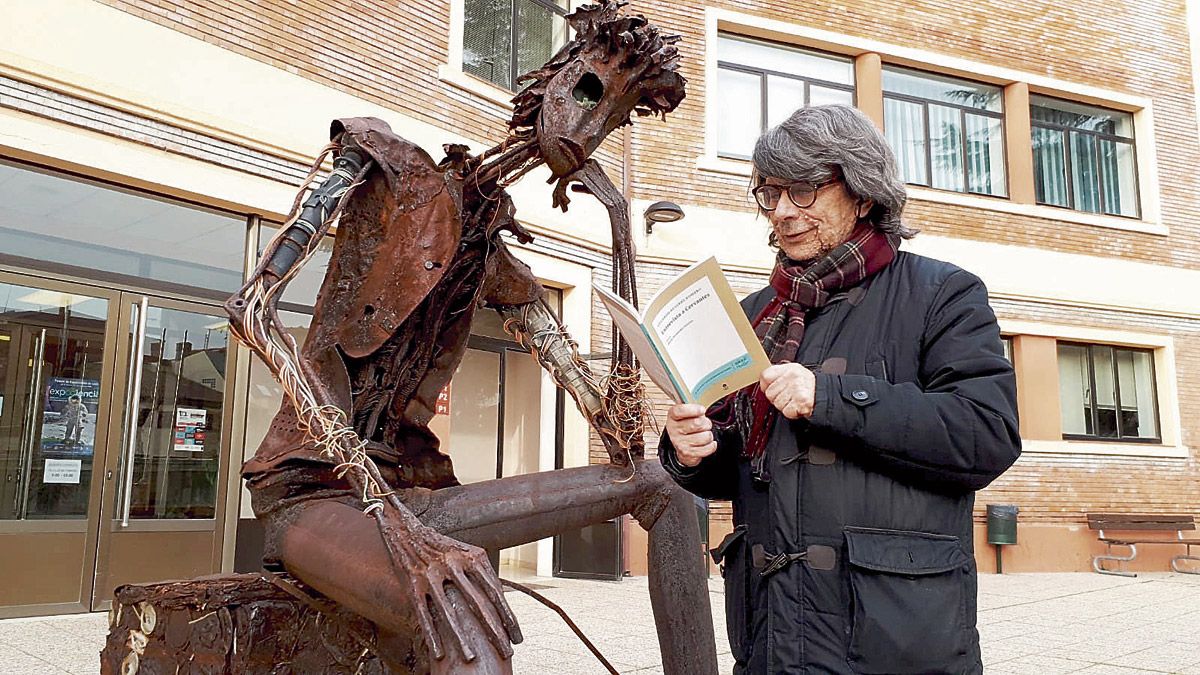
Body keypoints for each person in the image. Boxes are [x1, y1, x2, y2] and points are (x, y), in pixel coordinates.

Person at [660, 104, 1020, 674]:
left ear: (863, 193)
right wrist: (692, 450)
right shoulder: (756, 313)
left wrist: (829, 400)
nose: (781, 212)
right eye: (769, 194)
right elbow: (746, 471)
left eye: (802, 191)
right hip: (771, 638)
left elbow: (986, 435)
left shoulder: (942, 293)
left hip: (896, 641)